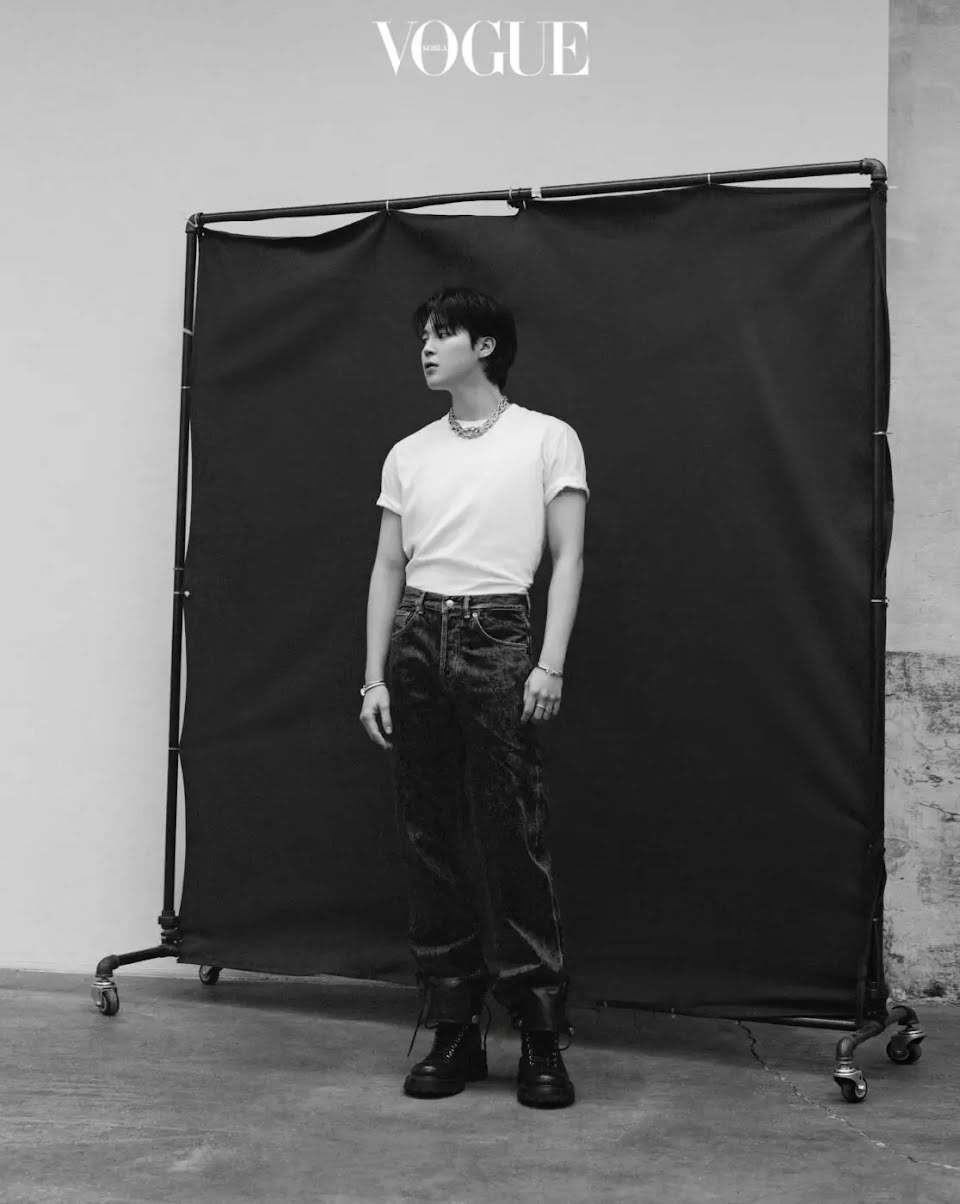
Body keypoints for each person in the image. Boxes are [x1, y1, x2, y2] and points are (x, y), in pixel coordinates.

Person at [359, 285, 589, 1109]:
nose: (427, 346)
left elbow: (568, 557)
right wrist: (374, 676)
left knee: (511, 831)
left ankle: (539, 1033)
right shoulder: (408, 452)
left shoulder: (547, 438)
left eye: (443, 332)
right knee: (429, 833)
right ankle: (454, 1026)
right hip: (418, 638)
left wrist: (549, 664)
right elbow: (388, 566)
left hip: (499, 635)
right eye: (423, 333)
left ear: (485, 346)